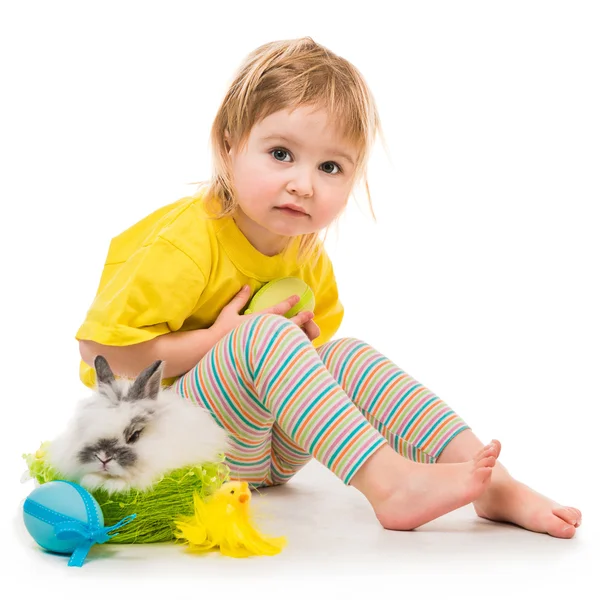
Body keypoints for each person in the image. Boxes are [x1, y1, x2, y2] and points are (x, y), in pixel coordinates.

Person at [76, 37, 581, 538]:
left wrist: (301, 350)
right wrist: (222, 339)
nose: (304, 184)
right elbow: (100, 351)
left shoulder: (307, 255)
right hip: (180, 446)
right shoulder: (183, 244)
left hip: (265, 455)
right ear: (229, 145)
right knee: (262, 338)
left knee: (346, 355)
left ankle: (493, 483)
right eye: (280, 154)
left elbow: (308, 382)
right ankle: (391, 486)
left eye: (330, 167)